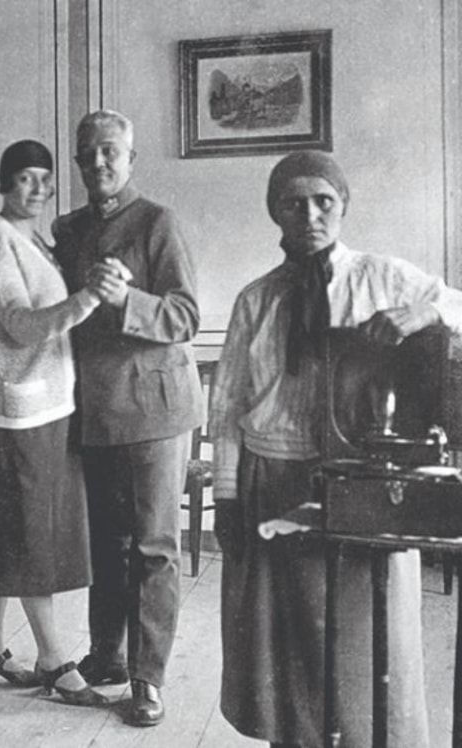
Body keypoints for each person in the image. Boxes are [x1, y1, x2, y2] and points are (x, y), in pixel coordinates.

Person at [210, 150, 462, 748]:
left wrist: (422, 313)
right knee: (286, 650)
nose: (310, 216)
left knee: (366, 640)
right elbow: (227, 407)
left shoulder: (381, 278)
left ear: (343, 206)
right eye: (294, 204)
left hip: (365, 488)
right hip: (272, 480)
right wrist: (227, 496)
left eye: (323, 201)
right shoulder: (257, 300)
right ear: (275, 212)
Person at [51, 110, 204, 727]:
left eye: (110, 151)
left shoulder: (157, 222)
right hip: (94, 410)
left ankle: (148, 679)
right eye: (87, 153)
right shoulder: (67, 230)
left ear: (131, 159)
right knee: (105, 545)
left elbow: (186, 316)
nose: (98, 162)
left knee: (153, 547)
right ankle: (107, 657)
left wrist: (127, 299)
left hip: (155, 410)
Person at [0, 139, 107, 708]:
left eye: (46, 178)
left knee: (7, 529)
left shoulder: (37, 243)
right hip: (16, 410)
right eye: (26, 177)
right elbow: (20, 325)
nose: (38, 188)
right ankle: (54, 659)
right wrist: (88, 299)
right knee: (29, 535)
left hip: (44, 404)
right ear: (5, 184)